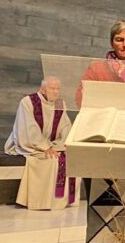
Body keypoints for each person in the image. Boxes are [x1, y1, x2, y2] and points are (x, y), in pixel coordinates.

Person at [5, 77, 76, 210]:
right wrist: (45, 147)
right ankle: (40, 202)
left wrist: (65, 143)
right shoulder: (28, 102)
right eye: (52, 88)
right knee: (51, 160)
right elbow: (29, 128)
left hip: (51, 144)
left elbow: (65, 126)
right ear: (42, 89)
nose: (56, 92)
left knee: (68, 158)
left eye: (58, 89)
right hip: (29, 143)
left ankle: (59, 201)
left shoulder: (60, 104)